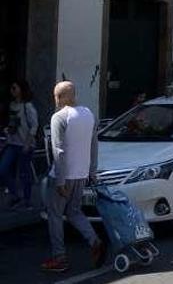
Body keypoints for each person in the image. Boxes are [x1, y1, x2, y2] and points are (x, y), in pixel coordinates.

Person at [41, 81, 105, 273]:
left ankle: (59, 258)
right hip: (80, 175)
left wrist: (60, 180)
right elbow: (94, 145)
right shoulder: (88, 113)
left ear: (61, 97)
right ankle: (95, 241)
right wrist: (92, 172)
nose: (55, 99)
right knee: (74, 211)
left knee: (55, 216)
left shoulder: (59, 117)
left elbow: (58, 150)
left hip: (63, 176)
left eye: (56, 96)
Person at [0, 80, 38, 209]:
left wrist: (28, 143)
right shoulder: (11, 105)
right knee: (2, 169)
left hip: (24, 144)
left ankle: (27, 201)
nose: (12, 90)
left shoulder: (27, 107)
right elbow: (13, 124)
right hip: (12, 143)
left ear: (21, 90)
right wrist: (7, 131)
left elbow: (34, 125)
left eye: (14, 88)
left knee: (24, 173)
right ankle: (16, 195)